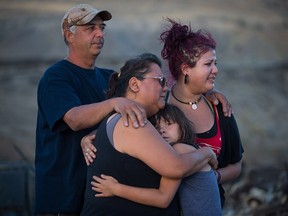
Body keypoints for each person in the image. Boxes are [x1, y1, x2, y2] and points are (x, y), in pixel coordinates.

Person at [35, 4, 148, 215]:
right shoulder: (56, 77)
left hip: (99, 199)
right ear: (70, 35)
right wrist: (113, 103)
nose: (100, 34)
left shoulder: (109, 77)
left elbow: (147, 103)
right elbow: (74, 119)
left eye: (102, 28)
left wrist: (207, 94)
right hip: (63, 199)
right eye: (90, 29)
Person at [80, 53, 218, 216]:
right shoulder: (132, 122)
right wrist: (207, 152)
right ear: (134, 84)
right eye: (160, 81)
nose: (165, 87)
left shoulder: (128, 121)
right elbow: (174, 167)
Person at [160, 18, 244, 208]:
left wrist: (214, 176)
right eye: (208, 64)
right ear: (185, 69)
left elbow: (236, 166)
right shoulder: (159, 106)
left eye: (215, 63)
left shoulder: (220, 108)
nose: (216, 70)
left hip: (207, 207)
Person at [91, 104, 222, 216]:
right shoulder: (190, 150)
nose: (162, 131)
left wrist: (116, 189)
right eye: (157, 128)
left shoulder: (179, 150)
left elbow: (162, 199)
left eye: (169, 124)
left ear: (182, 126)